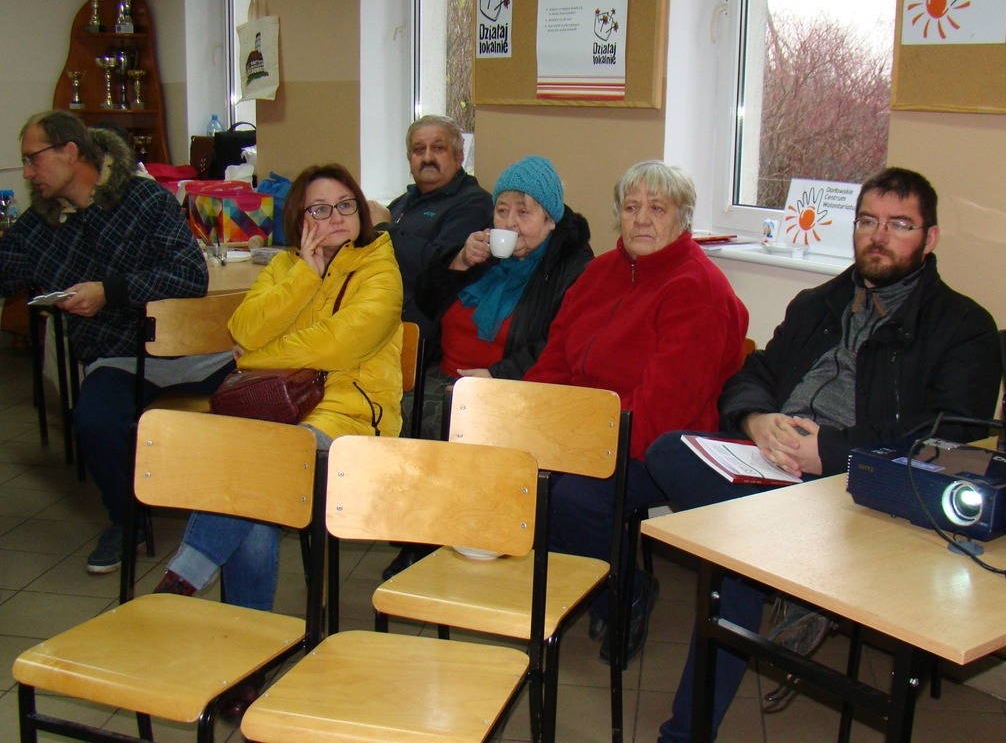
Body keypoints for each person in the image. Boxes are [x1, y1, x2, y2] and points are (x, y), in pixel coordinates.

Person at [644, 166, 1002, 743]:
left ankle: (685, 731)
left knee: (733, 560)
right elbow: (754, 374)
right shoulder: (819, 302)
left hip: (855, 490)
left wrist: (830, 454)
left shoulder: (964, 328)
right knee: (666, 452)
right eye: (867, 222)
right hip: (768, 465)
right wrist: (757, 420)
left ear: (930, 238)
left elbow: (949, 440)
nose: (878, 236)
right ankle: (788, 578)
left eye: (899, 225)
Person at [523, 159, 749, 662]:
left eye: (657, 208)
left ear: (683, 218)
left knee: (573, 498)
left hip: (657, 444)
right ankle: (584, 587)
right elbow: (555, 358)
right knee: (522, 479)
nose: (641, 219)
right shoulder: (600, 272)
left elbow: (662, 409)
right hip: (586, 430)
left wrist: (576, 447)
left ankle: (625, 593)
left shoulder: (698, 289)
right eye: (631, 207)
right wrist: (531, 421)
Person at [153, 163, 403, 616]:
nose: (336, 217)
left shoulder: (381, 269)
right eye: (320, 209)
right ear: (299, 219)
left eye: (345, 205)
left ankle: (187, 576)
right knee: (257, 487)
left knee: (262, 464)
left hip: (348, 420)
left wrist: (251, 357)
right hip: (275, 413)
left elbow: (336, 345)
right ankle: (248, 636)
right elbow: (244, 327)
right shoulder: (286, 266)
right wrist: (305, 275)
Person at [0, 110, 231, 574]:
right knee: (95, 419)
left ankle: (246, 512)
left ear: (69, 152)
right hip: (119, 358)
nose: (26, 173)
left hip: (195, 355)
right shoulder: (40, 224)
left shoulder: (143, 198)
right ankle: (128, 522)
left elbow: (189, 275)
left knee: (259, 409)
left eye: (32, 159)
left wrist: (110, 291)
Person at [381, 155, 594, 579]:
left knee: (447, 422)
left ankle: (435, 543)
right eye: (502, 210)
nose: (509, 222)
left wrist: (497, 376)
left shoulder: (573, 266)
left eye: (523, 212)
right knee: (392, 412)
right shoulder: (488, 252)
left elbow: (559, 345)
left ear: (551, 219)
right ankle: (425, 536)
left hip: (514, 389)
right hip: (446, 374)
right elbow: (427, 301)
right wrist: (459, 261)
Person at [380, 114, 493, 357]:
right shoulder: (401, 203)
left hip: (425, 339)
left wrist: (382, 229)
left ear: (459, 156)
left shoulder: (473, 203)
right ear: (409, 159)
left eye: (438, 148)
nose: (428, 158)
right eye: (419, 150)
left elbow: (436, 266)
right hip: (378, 318)